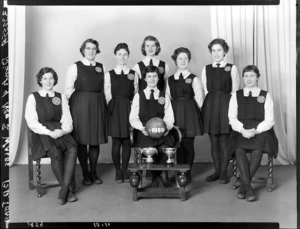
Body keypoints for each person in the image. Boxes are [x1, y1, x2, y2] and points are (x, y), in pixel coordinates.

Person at [25, 67, 77, 205]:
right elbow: (31, 121)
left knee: (72, 149)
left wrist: (62, 131)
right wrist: (49, 132)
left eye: (51, 78)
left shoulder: (61, 97)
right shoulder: (33, 97)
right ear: (40, 80)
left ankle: (64, 190)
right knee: (56, 153)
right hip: (42, 133)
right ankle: (67, 190)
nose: (48, 81)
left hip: (59, 131)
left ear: (55, 80)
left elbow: (67, 120)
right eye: (45, 78)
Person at [227, 65, 278, 201]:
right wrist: (243, 130)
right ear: (243, 78)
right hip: (240, 130)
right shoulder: (236, 95)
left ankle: (244, 187)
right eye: (246, 76)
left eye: (252, 76)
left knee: (258, 148)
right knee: (239, 149)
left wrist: (256, 131)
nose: (249, 79)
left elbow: (269, 120)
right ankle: (248, 188)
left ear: (257, 78)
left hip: (261, 130)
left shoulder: (265, 95)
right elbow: (232, 118)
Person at [64, 38, 108, 186]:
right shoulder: (74, 67)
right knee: (82, 141)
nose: (91, 51)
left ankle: (94, 172)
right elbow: (68, 90)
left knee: (94, 141)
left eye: (94, 49)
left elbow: (105, 89)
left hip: (97, 104)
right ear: (83, 50)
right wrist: (74, 107)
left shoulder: (101, 67)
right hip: (80, 105)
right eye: (88, 48)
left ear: (97, 51)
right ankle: (85, 174)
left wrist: (101, 104)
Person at [201, 38, 240, 184]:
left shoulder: (232, 68)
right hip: (211, 105)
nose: (216, 53)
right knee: (213, 141)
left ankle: (224, 172)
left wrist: (233, 112)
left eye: (219, 50)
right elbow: (205, 90)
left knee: (224, 141)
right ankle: (216, 171)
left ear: (225, 51)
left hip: (226, 104)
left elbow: (235, 92)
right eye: (214, 50)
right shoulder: (206, 69)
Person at [129, 65, 175, 187]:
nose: (152, 79)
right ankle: (157, 177)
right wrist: (141, 128)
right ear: (144, 78)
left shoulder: (164, 95)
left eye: (154, 76)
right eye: (149, 76)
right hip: (144, 132)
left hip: (161, 131)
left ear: (159, 78)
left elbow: (169, 116)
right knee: (150, 149)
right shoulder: (139, 95)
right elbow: (133, 117)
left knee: (165, 148)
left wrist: (166, 128)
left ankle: (155, 174)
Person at [166, 47, 204, 184]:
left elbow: (199, 100)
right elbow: (168, 98)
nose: (183, 61)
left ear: (189, 60)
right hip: (175, 113)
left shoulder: (194, 79)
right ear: (175, 61)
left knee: (188, 144)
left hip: (190, 113)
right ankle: (179, 171)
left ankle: (187, 173)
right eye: (180, 58)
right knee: (178, 144)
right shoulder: (169, 80)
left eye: (185, 58)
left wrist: (193, 113)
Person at [104, 43, 138, 183]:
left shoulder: (133, 74)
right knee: (116, 142)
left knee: (127, 141)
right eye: (120, 54)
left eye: (125, 54)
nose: (122, 57)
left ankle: (125, 170)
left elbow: (136, 93)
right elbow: (107, 94)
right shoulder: (109, 74)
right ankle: (118, 171)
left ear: (128, 55)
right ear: (115, 56)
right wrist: (110, 111)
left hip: (128, 108)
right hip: (115, 108)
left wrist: (132, 108)